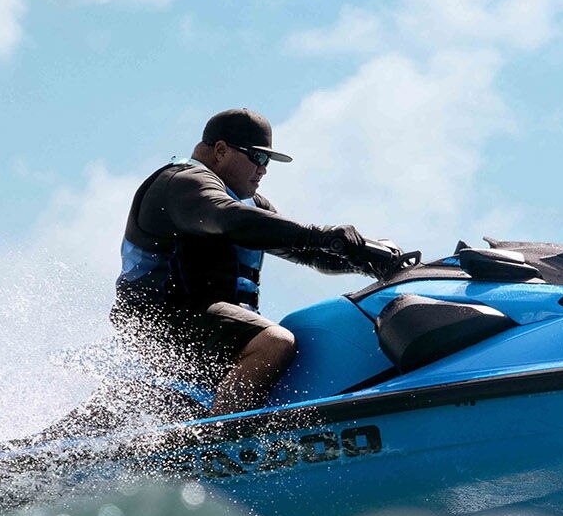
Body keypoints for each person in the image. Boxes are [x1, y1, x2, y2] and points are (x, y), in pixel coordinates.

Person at [114, 108, 408, 416]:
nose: (263, 169)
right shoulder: (182, 182)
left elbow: (306, 251)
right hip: (159, 324)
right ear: (221, 150)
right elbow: (228, 219)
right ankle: (220, 442)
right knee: (274, 341)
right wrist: (321, 234)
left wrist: (367, 261)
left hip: (209, 330)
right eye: (258, 158)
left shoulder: (251, 204)